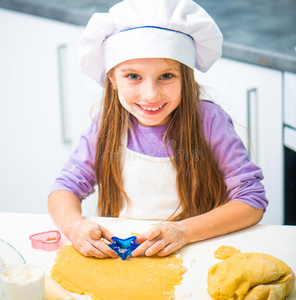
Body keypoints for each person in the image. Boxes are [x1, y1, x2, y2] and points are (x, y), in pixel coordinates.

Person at [48, 0, 268, 259]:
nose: (151, 95)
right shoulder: (105, 124)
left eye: (166, 76)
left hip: (196, 252)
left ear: (185, 76)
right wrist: (76, 227)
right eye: (133, 76)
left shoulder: (209, 120)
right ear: (112, 78)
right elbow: (64, 189)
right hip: (127, 260)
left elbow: (252, 201)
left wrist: (183, 232)